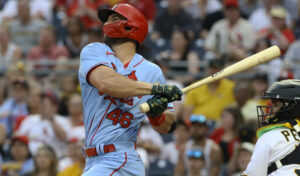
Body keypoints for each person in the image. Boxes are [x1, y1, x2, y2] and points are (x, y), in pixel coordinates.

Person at [78, 3, 182, 176]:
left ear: (132, 25)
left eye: (114, 19)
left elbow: (167, 126)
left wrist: (157, 116)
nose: (106, 24)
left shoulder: (151, 71)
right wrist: (154, 89)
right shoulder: (94, 51)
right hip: (93, 160)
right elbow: (106, 82)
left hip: (121, 157)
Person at [242, 79, 300, 175]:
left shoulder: (270, 136)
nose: (270, 110)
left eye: (275, 104)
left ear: (293, 107)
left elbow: (253, 174)